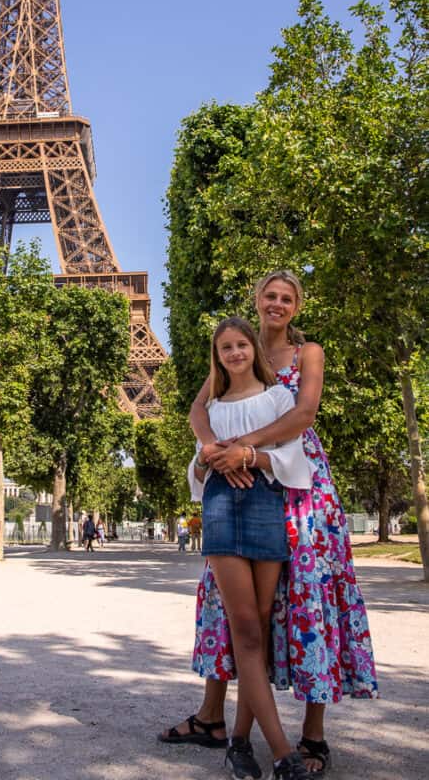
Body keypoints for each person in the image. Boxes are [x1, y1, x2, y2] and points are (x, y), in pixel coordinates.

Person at [159, 270, 378, 777]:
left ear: (296, 307)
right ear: (256, 300)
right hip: (241, 480)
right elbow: (199, 407)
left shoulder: (308, 354)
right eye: (270, 295)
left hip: (297, 482)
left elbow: (303, 416)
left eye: (287, 298)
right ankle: (216, 721)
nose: (276, 304)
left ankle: (313, 736)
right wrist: (215, 448)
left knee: (310, 597)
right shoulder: (240, 350)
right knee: (231, 605)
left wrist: (245, 449)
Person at [191, 316, 314, 780]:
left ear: (252, 349)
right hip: (222, 509)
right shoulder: (214, 409)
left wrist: (248, 455)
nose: (235, 353)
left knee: (258, 632)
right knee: (244, 629)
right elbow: (198, 469)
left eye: (241, 344)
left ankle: (239, 741)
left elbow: (292, 456)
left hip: (265, 505)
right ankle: (284, 753)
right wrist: (212, 457)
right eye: (226, 348)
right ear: (218, 356)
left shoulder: (280, 398)